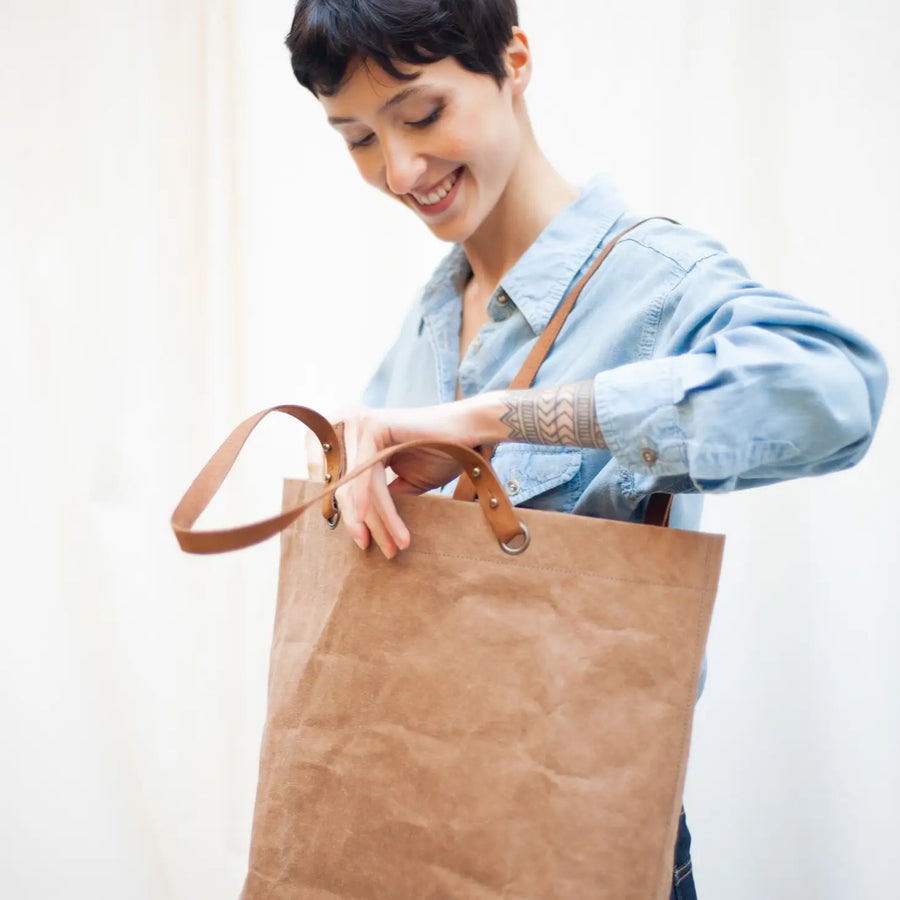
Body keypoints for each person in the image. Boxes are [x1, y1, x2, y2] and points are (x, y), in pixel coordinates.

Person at [284, 1, 888, 897]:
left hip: (580, 840)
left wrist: (499, 419)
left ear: (514, 60)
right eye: (357, 140)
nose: (400, 169)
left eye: (422, 114)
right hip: (413, 824)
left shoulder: (655, 284)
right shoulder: (429, 313)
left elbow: (837, 391)